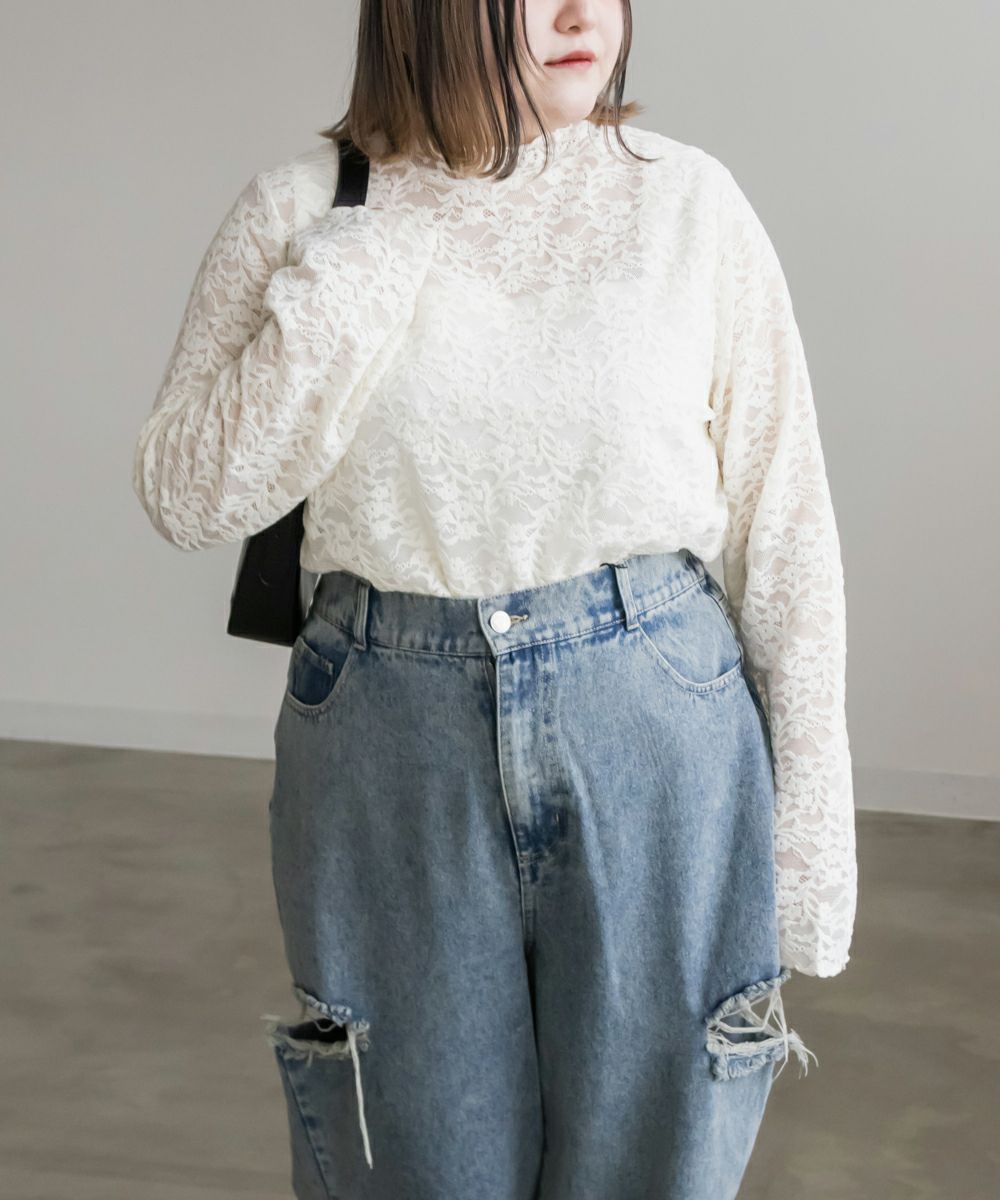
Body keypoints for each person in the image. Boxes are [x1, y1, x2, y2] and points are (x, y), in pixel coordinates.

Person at [131, 1, 856, 1196]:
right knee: (418, 1166)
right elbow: (188, 494)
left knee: (654, 1168)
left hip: (653, 725)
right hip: (388, 741)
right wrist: (344, 290)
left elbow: (785, 528)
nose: (581, 15)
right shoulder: (304, 210)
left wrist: (812, 839)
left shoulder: (686, 201)